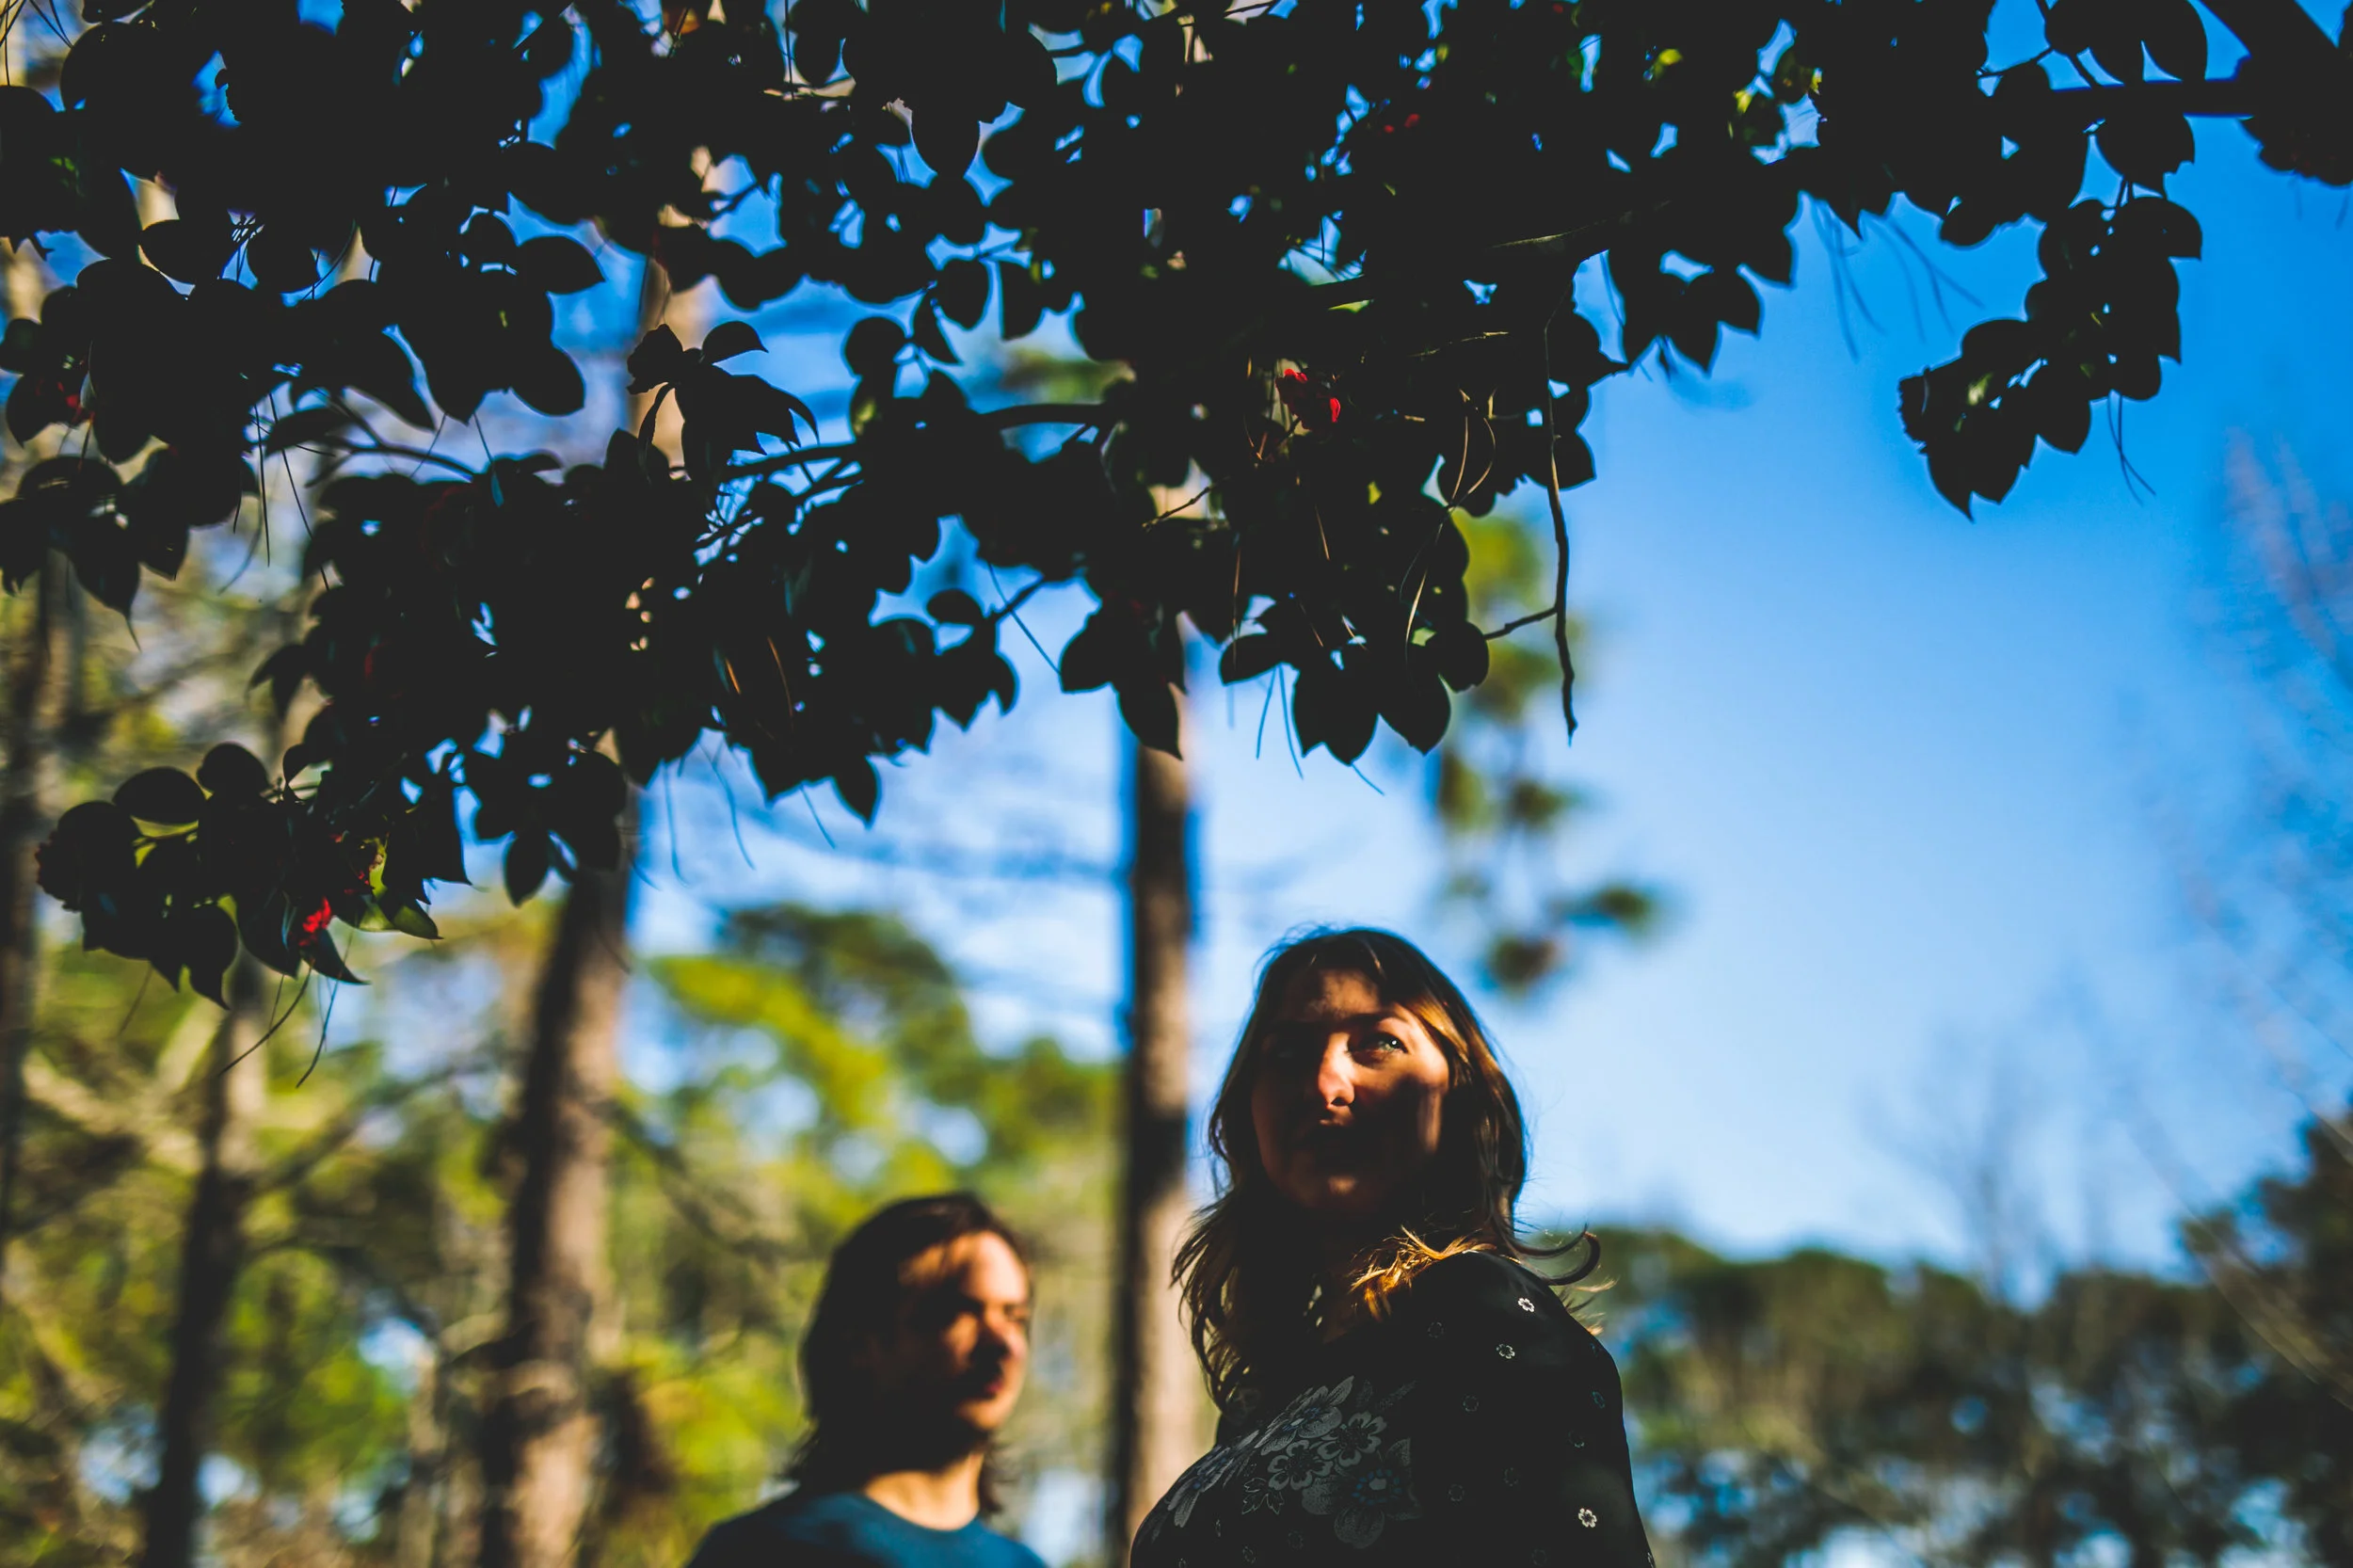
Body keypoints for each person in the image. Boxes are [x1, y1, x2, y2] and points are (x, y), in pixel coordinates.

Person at [1132, 929, 1654, 1568]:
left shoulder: (1480, 1312)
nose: (1326, 1083)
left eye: (1379, 1042)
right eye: (1288, 1052)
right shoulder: (1255, 1406)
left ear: (1459, 1101)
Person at [685, 1193, 1048, 1568]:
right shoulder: (765, 1552)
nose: (1002, 1343)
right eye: (959, 1313)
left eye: (1015, 1317)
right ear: (859, 1341)